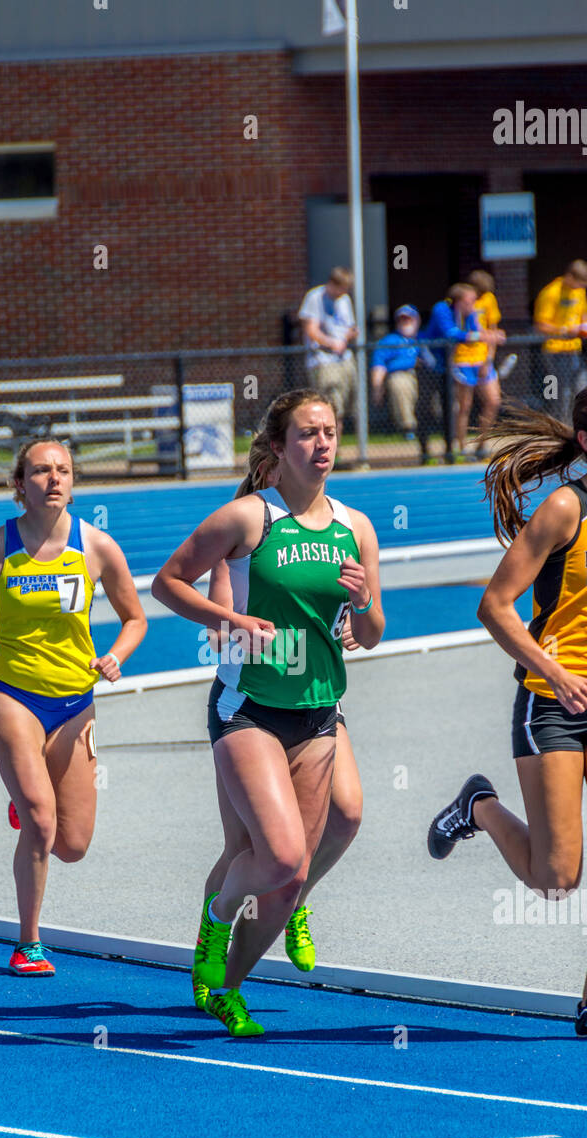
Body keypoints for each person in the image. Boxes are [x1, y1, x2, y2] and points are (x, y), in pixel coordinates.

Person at [428, 381, 587, 1042]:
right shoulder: (563, 512)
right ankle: (478, 806)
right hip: (550, 704)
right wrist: (555, 672)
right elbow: (495, 605)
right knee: (556, 878)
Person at [152, 389, 383, 1036]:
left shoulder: (357, 527)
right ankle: (216, 920)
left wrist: (363, 607)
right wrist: (227, 619)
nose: (324, 445)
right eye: (308, 434)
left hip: (318, 713)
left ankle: (227, 986)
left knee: (295, 865)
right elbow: (167, 581)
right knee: (276, 858)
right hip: (248, 707)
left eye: (332, 432)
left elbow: (373, 634)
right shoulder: (249, 519)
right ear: (278, 448)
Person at [0, 437, 147, 976]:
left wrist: (116, 656)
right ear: (19, 484)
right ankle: (29, 943)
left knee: (72, 845)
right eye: (41, 471)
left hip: (76, 704)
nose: (54, 479)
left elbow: (135, 618)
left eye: (63, 471)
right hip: (12, 696)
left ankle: (28, 810)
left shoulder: (97, 547)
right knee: (42, 821)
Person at [195, 552, 364, 1008]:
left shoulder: (335, 530)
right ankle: (216, 962)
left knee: (345, 815)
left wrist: (352, 623)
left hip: (317, 702)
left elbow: (360, 621)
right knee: (248, 850)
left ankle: (296, 902)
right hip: (252, 706)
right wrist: (240, 632)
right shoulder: (241, 542)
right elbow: (214, 638)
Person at [417, 284, 504, 463]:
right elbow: (452, 334)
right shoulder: (441, 309)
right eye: (469, 301)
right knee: (436, 407)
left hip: (454, 362)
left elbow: (477, 333)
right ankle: (447, 450)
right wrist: (482, 336)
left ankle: (477, 446)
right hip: (432, 362)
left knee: (490, 401)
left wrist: (490, 335)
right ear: (458, 301)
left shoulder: (471, 313)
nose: (473, 304)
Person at [533, 259, 587, 421]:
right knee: (560, 394)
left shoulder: (579, 292)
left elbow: (583, 314)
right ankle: (560, 428)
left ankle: (578, 427)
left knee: (582, 389)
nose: (578, 288)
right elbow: (540, 325)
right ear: (569, 276)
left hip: (574, 350)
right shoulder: (550, 293)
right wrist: (564, 330)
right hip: (555, 351)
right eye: (577, 284)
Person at [452, 270, 507, 458]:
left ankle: (481, 444)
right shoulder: (461, 302)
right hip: (463, 358)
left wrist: (488, 359)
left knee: (493, 401)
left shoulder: (489, 300)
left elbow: (492, 330)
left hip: (483, 358)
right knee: (464, 405)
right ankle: (461, 448)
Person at [298, 268, 359, 432]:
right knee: (332, 408)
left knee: (349, 407)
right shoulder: (314, 297)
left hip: (344, 358)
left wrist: (349, 336)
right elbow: (311, 330)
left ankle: (337, 450)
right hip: (324, 360)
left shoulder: (345, 300)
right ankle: (332, 454)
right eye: (342, 288)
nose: (344, 292)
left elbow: (349, 327)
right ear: (332, 283)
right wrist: (332, 343)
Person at [370, 305, 420, 440]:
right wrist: (377, 389)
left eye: (408, 319)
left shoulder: (423, 338)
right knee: (399, 383)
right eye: (401, 320)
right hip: (400, 375)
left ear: (416, 320)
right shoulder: (389, 341)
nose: (405, 322)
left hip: (424, 376)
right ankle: (408, 428)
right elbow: (378, 366)